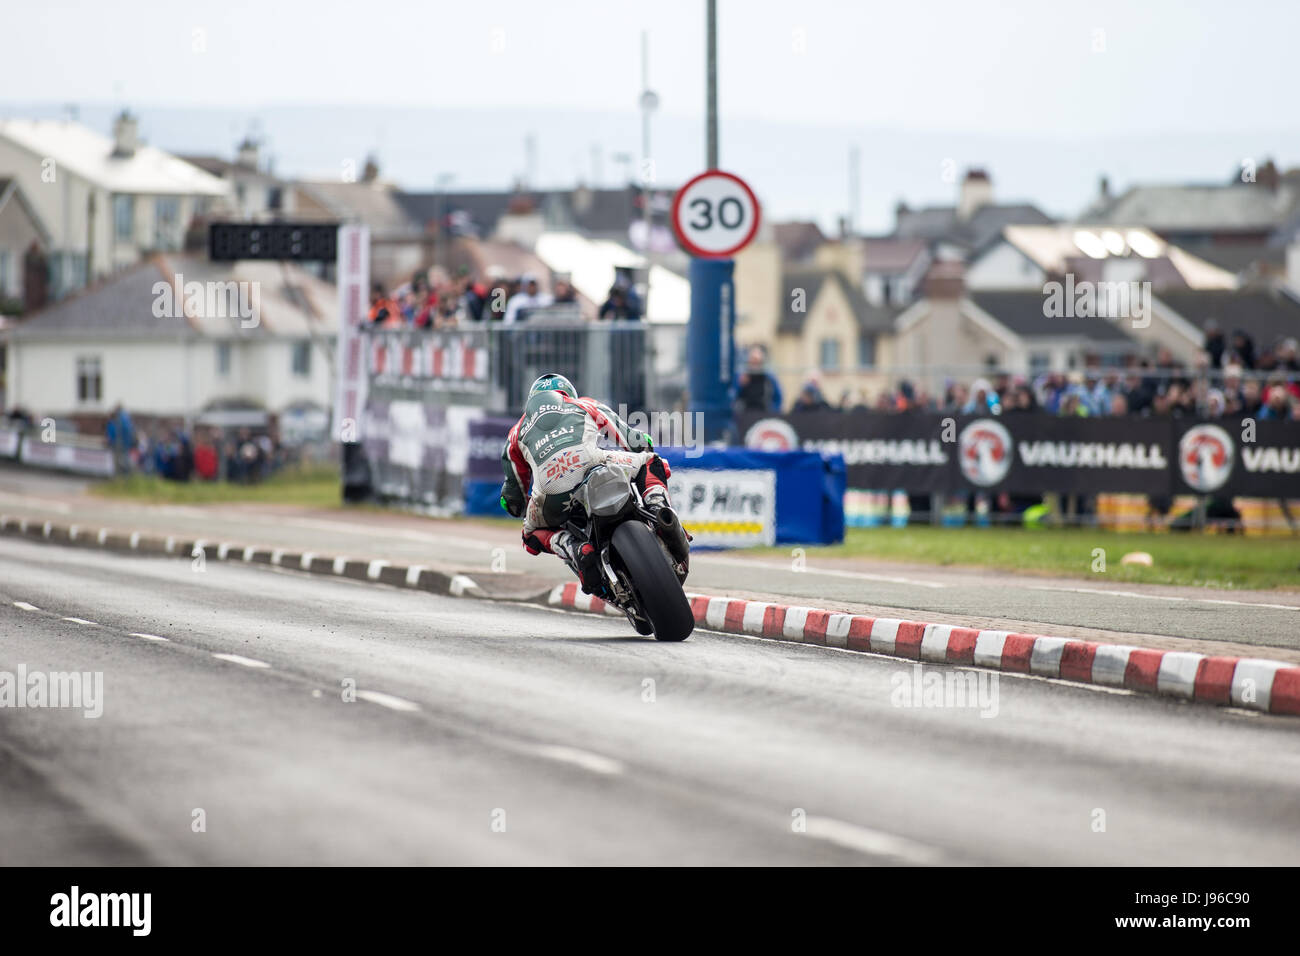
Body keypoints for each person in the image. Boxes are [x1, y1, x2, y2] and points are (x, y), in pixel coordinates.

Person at [498, 372, 688, 594]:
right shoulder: (583, 404)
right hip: (593, 461)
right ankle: (658, 509)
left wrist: (518, 505)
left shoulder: (516, 433)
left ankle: (573, 547)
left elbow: (513, 496)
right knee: (651, 462)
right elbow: (632, 439)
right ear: (567, 393)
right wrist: (643, 444)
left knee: (529, 534)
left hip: (551, 491)